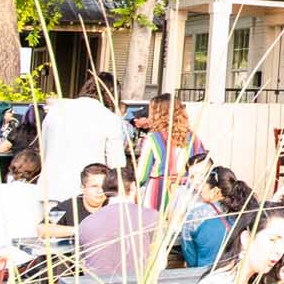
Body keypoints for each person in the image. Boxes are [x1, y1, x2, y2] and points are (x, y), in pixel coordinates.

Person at [39, 73, 127, 203]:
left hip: (50, 188)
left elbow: (44, 149)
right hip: (84, 193)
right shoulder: (109, 118)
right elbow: (117, 163)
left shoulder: (56, 110)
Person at [77, 167, 160, 277]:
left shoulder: (86, 223)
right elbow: (159, 262)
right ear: (133, 186)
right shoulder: (152, 216)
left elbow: (83, 265)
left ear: (104, 190)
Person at [135, 94, 206, 211]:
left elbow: (141, 176)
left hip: (158, 191)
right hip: (187, 192)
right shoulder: (193, 138)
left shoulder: (153, 138)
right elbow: (203, 166)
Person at [180, 166, 248, 268]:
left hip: (204, 274)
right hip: (235, 272)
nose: (200, 188)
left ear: (215, 191)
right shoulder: (244, 210)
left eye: (204, 184)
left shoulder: (196, 215)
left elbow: (190, 256)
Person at [39, 163, 109, 239]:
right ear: (83, 188)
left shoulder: (112, 207)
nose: (100, 191)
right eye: (94, 186)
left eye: (104, 186)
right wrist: (79, 230)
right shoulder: (67, 207)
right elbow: (42, 229)